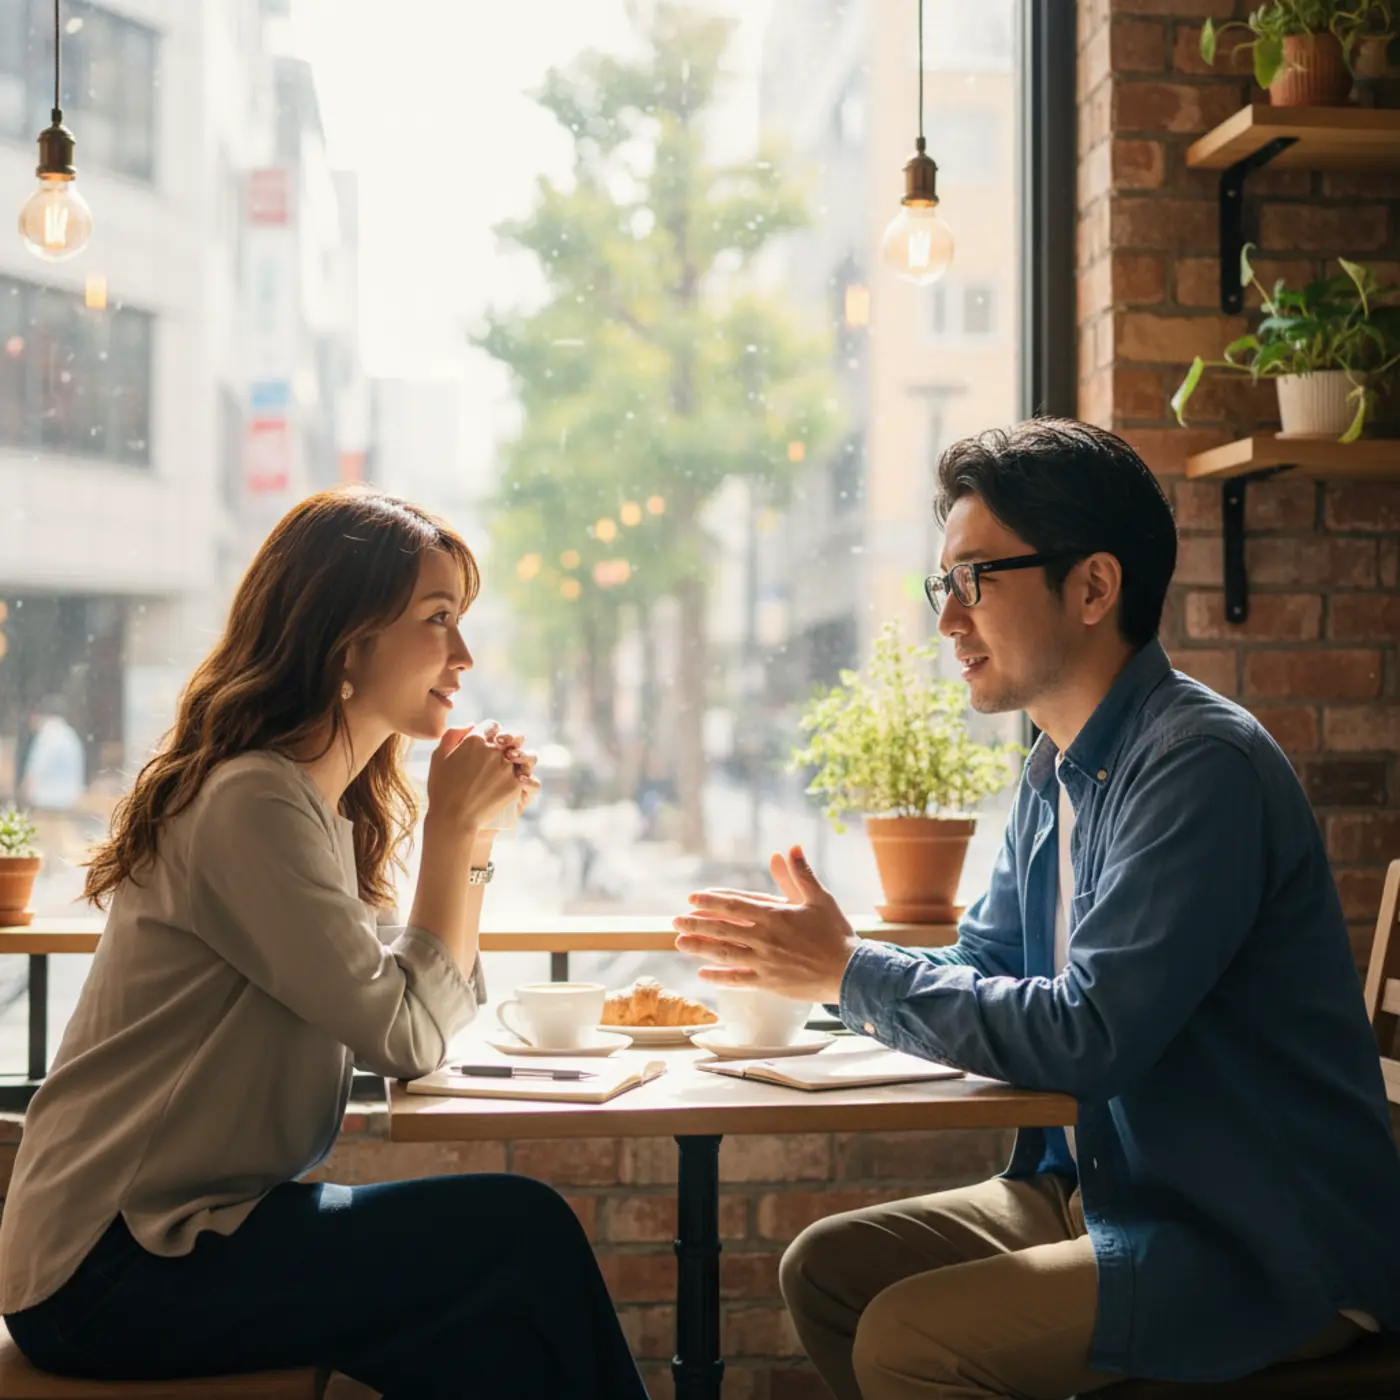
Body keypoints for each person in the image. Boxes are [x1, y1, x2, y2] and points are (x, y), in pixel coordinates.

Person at [672, 418, 1400, 1399]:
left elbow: (1087, 1036)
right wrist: (823, 967)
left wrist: (844, 970)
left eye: (974, 579)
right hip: (1103, 1188)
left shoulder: (1197, 768)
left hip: (1256, 1235)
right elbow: (983, 962)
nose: (945, 621)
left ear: (1093, 586)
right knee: (826, 1270)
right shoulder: (1055, 764)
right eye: (943, 585)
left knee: (907, 1341)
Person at [0, 487, 650, 1400]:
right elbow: (405, 1034)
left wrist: (476, 837)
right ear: (349, 640)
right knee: (522, 1229)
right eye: (437, 620)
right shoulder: (253, 802)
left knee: (495, 1340)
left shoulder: (317, 806)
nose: (463, 657)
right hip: (110, 1262)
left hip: (203, 1228)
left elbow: (428, 1006)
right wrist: (456, 833)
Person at [18, 695, 85, 812]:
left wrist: (22, 796)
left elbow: (35, 770)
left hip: (49, 803)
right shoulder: (70, 734)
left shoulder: (47, 735)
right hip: (71, 801)